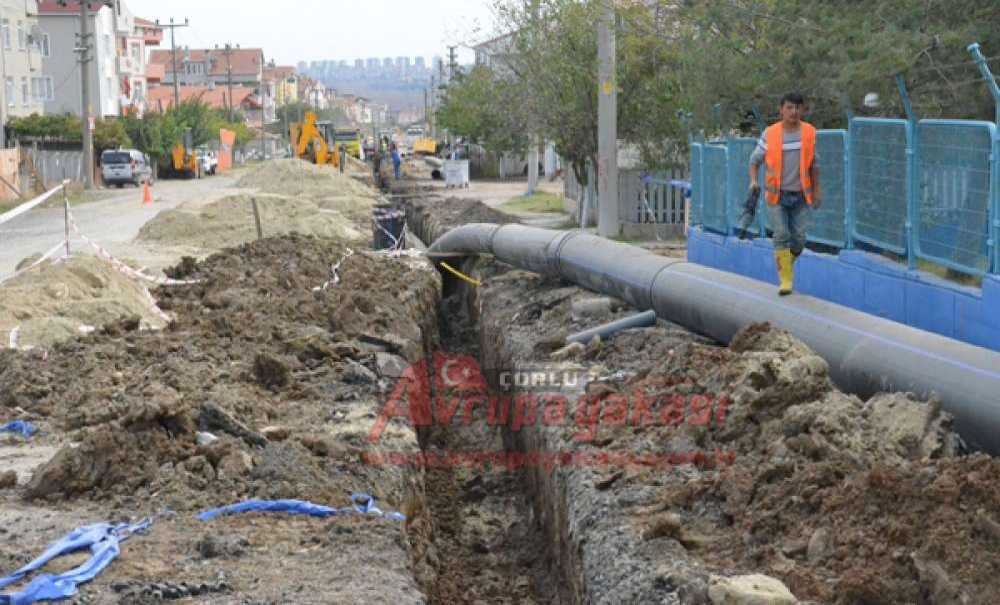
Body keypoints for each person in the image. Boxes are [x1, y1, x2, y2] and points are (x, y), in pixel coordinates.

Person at [749, 92, 821, 296]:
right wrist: (753, 181)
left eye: (798, 107)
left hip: (800, 197)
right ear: (781, 110)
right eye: (789, 107)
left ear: (803, 110)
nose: (794, 111)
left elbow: (815, 165)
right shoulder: (770, 134)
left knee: (799, 239)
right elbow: (754, 161)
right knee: (781, 234)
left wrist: (817, 190)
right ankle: (786, 279)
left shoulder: (809, 133)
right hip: (776, 196)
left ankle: (785, 263)